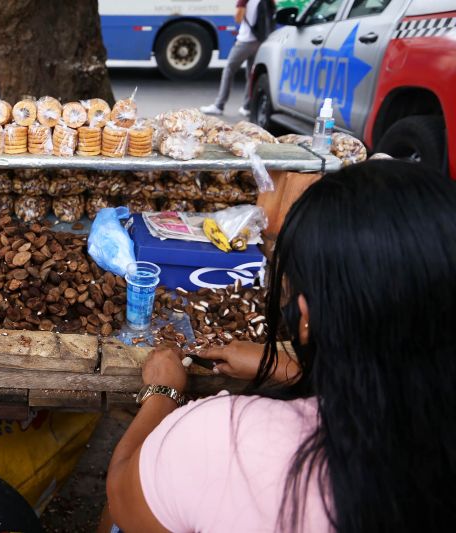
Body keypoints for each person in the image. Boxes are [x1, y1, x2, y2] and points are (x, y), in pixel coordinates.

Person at [103, 160, 456, 532]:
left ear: (306, 317)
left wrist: (163, 393)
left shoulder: (228, 438)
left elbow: (122, 495)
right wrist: (292, 370)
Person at [201, 0, 272, 117]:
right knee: (251, 74)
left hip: (245, 41)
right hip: (259, 40)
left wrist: (240, 7)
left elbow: (238, 18)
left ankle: (219, 105)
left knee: (229, 70)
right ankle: (247, 107)